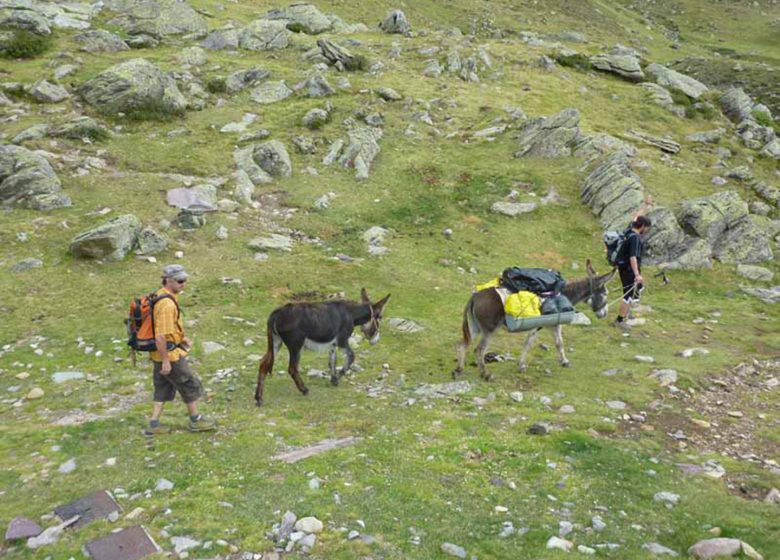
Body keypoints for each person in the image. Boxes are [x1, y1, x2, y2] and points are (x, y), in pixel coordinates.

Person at [145, 264, 216, 435]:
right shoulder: (167, 304)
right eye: (180, 281)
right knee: (188, 384)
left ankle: (153, 425)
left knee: (162, 387)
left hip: (158, 354)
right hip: (169, 355)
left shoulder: (160, 295)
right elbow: (161, 336)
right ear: (168, 281)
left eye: (185, 280)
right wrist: (166, 361)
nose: (184, 284)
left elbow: (164, 328)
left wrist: (182, 338)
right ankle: (195, 421)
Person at [614, 199, 653, 331]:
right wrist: (637, 274)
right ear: (642, 226)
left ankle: (627, 313)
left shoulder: (629, 230)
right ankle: (620, 320)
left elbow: (636, 216)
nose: (646, 230)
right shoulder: (635, 238)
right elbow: (633, 257)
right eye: (646, 228)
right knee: (628, 295)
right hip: (629, 270)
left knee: (639, 288)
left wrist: (646, 206)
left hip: (623, 267)